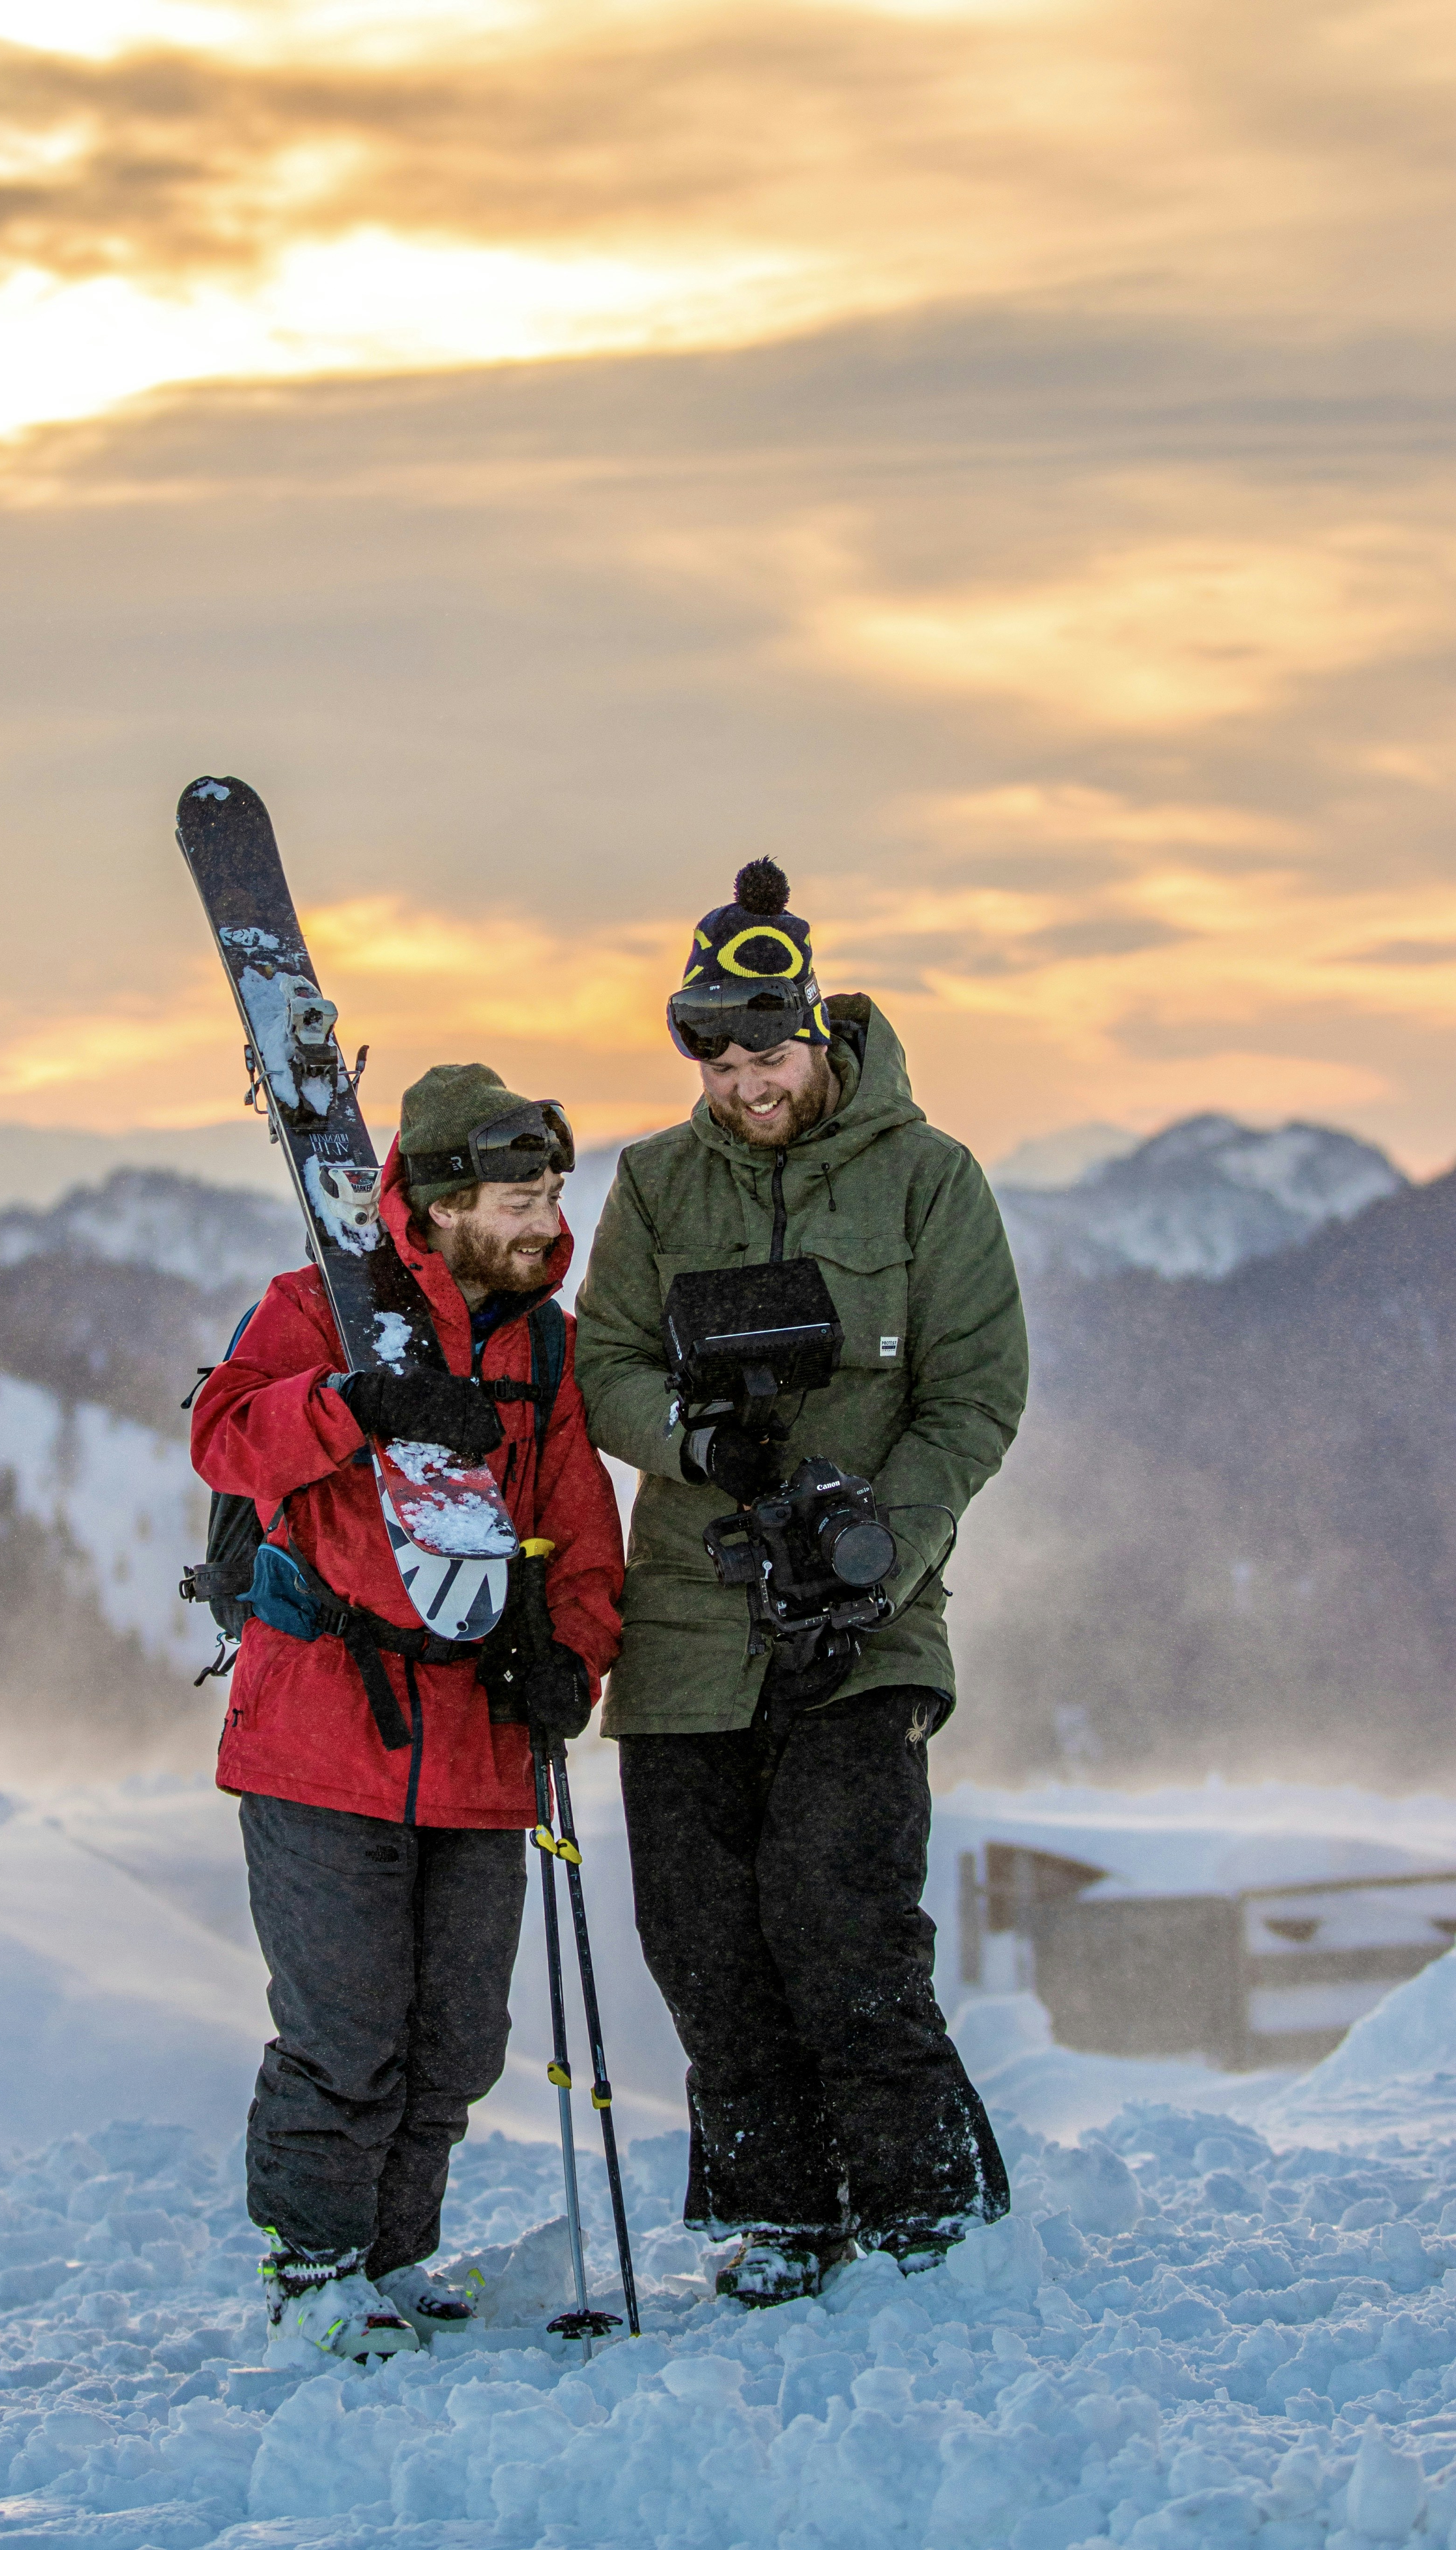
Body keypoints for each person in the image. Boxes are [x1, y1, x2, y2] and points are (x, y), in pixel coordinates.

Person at [573, 860, 1028, 2300]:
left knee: (839, 1920)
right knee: (699, 1939)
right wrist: (692, 1436)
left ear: (815, 1032)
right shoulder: (654, 1182)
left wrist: (875, 1542)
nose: (739, 1084)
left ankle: (925, 2214)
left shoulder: (930, 1177)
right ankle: (780, 2214)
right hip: (690, 1620)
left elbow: (978, 1394)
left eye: (762, 1053)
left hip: (866, 1617)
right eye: (711, 1055)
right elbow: (606, 1368)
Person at [191, 1064, 624, 2364]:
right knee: (346, 2032)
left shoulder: (539, 1350)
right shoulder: (321, 1310)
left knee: (455, 2040)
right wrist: (351, 1405)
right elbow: (225, 1438)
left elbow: (581, 1539)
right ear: (435, 1206)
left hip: (480, 1749)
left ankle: (391, 2257)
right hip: (323, 1729)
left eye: (551, 1189)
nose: (547, 1217)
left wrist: (570, 1662)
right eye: (516, 1195)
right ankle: (315, 2271)